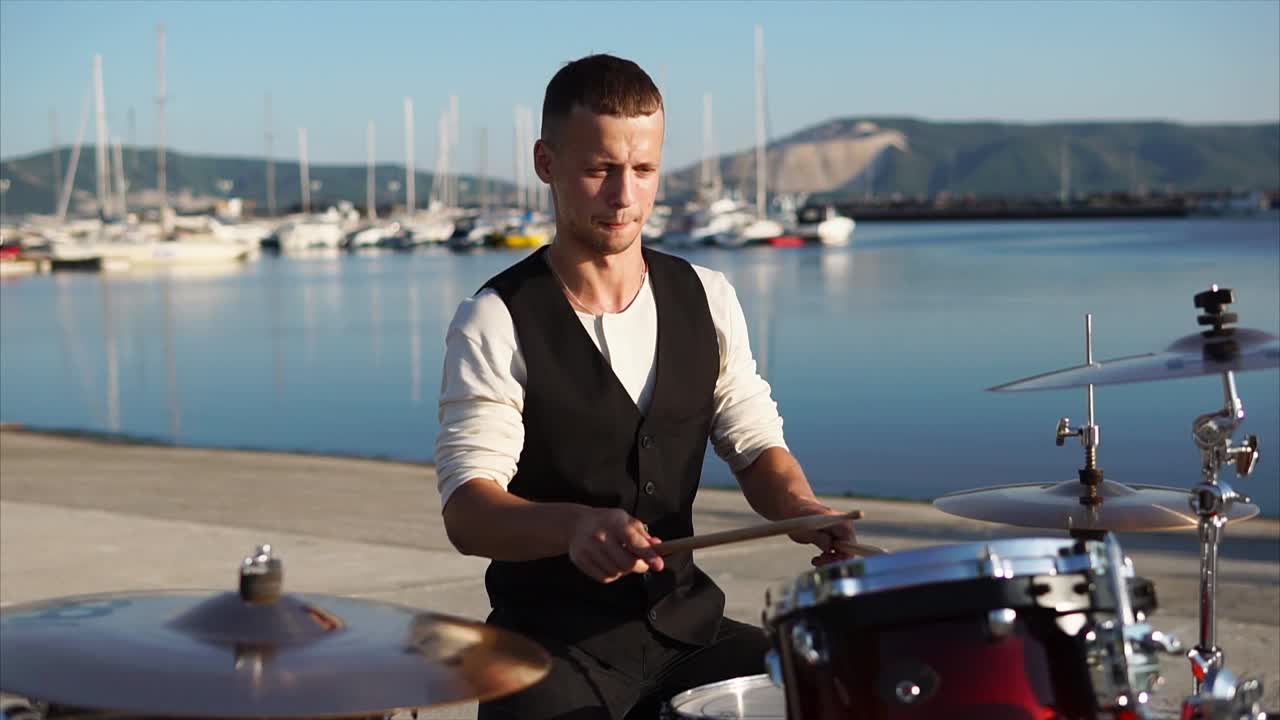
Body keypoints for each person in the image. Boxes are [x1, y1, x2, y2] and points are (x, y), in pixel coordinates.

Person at [435, 53, 856, 720]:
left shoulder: (706, 296)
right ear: (546, 163)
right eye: (599, 169)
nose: (624, 197)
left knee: (824, 690)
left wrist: (805, 509)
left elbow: (752, 443)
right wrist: (574, 526)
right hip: (551, 647)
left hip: (686, 631)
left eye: (644, 170)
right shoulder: (496, 318)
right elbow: (468, 512)